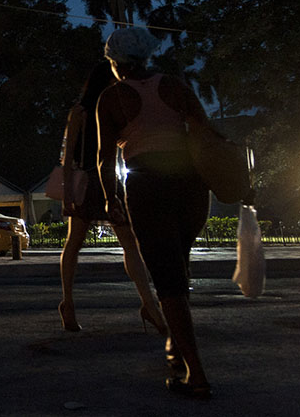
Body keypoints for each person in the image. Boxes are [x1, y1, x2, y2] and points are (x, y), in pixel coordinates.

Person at [96, 27, 213, 399]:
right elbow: (203, 129)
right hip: (191, 183)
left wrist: (110, 197)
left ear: (116, 63)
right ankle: (176, 348)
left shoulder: (112, 98)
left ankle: (195, 375)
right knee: (180, 264)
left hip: (148, 186)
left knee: (167, 280)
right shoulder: (175, 85)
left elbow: (104, 158)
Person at [57, 61, 166, 334]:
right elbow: (69, 156)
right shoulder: (80, 112)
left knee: (128, 240)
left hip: (107, 180)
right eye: (113, 81)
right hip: (85, 179)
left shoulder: (113, 109)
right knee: (76, 242)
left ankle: (149, 304)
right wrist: (66, 193)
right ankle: (67, 303)